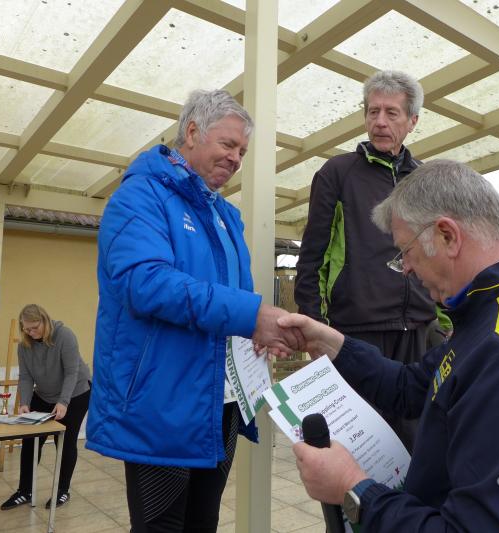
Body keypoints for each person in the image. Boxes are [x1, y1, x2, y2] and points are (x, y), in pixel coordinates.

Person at [279, 159, 499, 531]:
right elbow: (410, 387)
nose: (406, 268)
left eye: (405, 251)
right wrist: (330, 341)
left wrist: (355, 490)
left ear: (447, 236)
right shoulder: (497, 313)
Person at [86, 88, 300, 533]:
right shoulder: (140, 196)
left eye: (242, 151)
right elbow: (145, 284)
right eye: (228, 144)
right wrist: (250, 314)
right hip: (162, 402)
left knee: (204, 522)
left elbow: (234, 299)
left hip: (219, 401)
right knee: (161, 525)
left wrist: (256, 332)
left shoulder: (226, 217)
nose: (236, 158)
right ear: (192, 132)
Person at [295, 70, 441, 452]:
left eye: (392, 113)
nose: (380, 121)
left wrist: (447, 323)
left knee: (416, 448)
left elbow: (440, 256)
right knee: (360, 449)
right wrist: (314, 329)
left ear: (412, 121)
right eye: (373, 111)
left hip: (419, 333)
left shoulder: (424, 179)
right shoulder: (337, 173)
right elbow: (311, 257)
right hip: (356, 333)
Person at [0, 304, 91, 511]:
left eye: (35, 328)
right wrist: (24, 403)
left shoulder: (65, 336)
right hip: (43, 395)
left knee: (65, 441)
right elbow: (25, 376)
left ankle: (62, 490)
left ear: (45, 321)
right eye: (26, 329)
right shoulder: (24, 345)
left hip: (75, 393)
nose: (31, 332)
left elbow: (71, 372)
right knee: (31, 441)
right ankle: (25, 491)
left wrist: (63, 402)